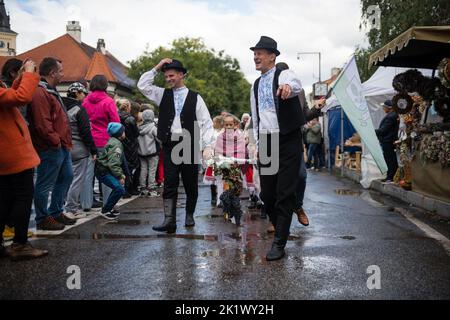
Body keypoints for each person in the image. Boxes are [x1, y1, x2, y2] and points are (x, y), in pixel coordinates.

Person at [138, 58, 214, 233]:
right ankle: (169, 221)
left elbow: (206, 122)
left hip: (188, 142)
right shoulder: (161, 94)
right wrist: (157, 67)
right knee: (170, 182)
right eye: (166, 76)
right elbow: (142, 85)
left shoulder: (195, 97)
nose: (168, 79)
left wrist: (207, 146)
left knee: (190, 183)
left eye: (171, 75)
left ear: (181, 75)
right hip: (170, 143)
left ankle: (189, 215)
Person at [250, 36, 303, 261]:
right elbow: (255, 115)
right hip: (267, 141)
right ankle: (280, 223)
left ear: (272, 56)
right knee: (267, 193)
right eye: (254, 53)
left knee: (284, 193)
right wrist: (257, 143)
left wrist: (288, 87)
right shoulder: (255, 84)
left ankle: (279, 242)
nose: (255, 56)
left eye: (260, 53)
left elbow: (296, 83)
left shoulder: (283, 74)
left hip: (288, 139)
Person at [0, 59, 49, 261]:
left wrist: (21, 77)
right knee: (22, 196)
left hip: (6, 155)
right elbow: (22, 96)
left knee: (4, 200)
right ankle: (20, 244)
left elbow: (10, 95)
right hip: (13, 154)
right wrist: (29, 74)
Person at [28, 57, 76, 231]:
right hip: (50, 146)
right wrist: (55, 139)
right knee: (44, 183)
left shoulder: (50, 90)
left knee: (66, 176)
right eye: (61, 71)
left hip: (60, 145)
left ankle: (56, 211)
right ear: (52, 73)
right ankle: (42, 218)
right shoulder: (40, 91)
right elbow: (43, 122)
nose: (63, 74)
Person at [275, 62, 324, 227]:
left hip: (293, 139)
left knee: (301, 176)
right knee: (275, 181)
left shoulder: (299, 92)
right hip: (273, 139)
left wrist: (317, 109)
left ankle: (298, 206)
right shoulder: (268, 89)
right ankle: (274, 217)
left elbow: (306, 116)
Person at [83, 75, 121, 208]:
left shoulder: (85, 101)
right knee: (107, 173)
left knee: (88, 174)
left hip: (89, 141)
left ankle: (86, 204)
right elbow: (116, 122)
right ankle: (107, 203)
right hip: (105, 140)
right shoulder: (108, 101)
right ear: (105, 85)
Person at [64, 82, 98, 218]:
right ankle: (71, 208)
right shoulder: (79, 109)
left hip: (64, 148)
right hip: (79, 150)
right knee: (77, 180)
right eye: (84, 93)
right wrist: (93, 150)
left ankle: (63, 207)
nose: (85, 96)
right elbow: (85, 132)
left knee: (65, 180)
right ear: (77, 93)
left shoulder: (61, 107)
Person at [95, 123, 127, 220]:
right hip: (103, 172)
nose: (125, 133)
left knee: (117, 188)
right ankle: (105, 210)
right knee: (119, 189)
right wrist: (120, 176)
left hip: (103, 170)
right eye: (123, 131)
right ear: (120, 133)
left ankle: (108, 208)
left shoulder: (113, 141)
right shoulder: (116, 145)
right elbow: (113, 163)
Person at [117, 98, 140, 197]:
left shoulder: (116, 116)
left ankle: (123, 189)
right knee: (130, 168)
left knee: (121, 167)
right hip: (130, 145)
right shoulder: (130, 119)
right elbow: (136, 133)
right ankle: (128, 189)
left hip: (120, 143)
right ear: (127, 107)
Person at [138, 109, 160, 196]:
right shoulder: (153, 128)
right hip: (152, 152)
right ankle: (151, 189)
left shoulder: (139, 128)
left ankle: (143, 188)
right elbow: (159, 139)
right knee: (152, 170)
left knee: (143, 170)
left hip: (141, 152)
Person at [376, 100, 399, 183]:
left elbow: (383, 130)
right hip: (388, 140)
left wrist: (372, 131)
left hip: (388, 141)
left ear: (388, 108)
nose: (383, 108)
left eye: (384, 107)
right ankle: (391, 176)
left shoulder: (391, 116)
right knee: (390, 159)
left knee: (389, 159)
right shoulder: (392, 115)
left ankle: (390, 176)